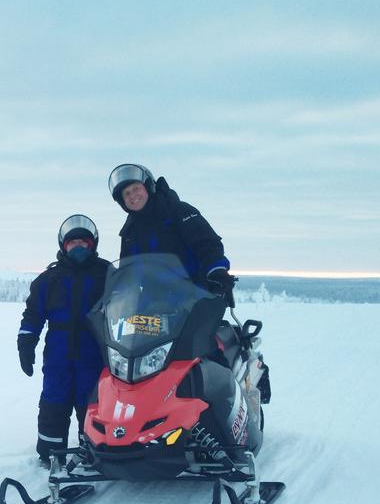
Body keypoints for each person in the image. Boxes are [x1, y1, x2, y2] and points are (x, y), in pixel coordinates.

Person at [108, 163, 269, 402]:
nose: (133, 196)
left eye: (135, 189)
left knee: (203, 350)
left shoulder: (179, 211)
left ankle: (225, 401)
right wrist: (117, 296)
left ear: (148, 187)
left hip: (194, 298)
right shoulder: (130, 230)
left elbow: (209, 244)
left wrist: (216, 271)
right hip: (152, 306)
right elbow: (128, 271)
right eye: (127, 194)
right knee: (140, 358)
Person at [18, 215, 112, 463]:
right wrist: (25, 344)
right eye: (73, 243)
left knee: (91, 402)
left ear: (93, 245)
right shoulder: (49, 279)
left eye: (84, 242)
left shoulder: (108, 274)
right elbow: (33, 315)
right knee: (54, 400)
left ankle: (92, 450)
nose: (78, 247)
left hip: (95, 349)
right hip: (58, 351)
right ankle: (51, 453)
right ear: (64, 245)